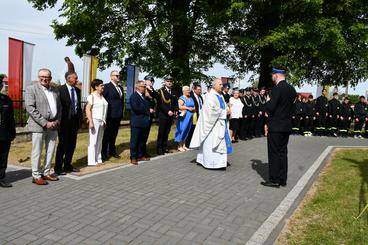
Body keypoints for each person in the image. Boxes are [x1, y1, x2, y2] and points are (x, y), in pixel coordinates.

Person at [25, 68, 61, 185]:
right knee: (37, 151)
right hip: (39, 126)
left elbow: (60, 108)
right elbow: (30, 108)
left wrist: (57, 120)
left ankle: (46, 172)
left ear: (50, 78)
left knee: (51, 150)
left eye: (47, 77)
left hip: (54, 125)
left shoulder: (55, 90)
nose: (44, 79)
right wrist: (45, 123)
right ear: (38, 77)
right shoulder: (31, 89)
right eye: (42, 77)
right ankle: (36, 175)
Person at [261, 68, 296, 188]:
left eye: (272, 76)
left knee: (274, 153)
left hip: (276, 125)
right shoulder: (292, 89)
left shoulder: (276, 89)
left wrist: (266, 103)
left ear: (276, 75)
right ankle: (282, 179)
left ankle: (274, 179)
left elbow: (271, 107)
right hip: (286, 125)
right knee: (283, 152)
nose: (272, 78)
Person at [190, 78, 233, 170]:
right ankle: (211, 163)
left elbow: (224, 106)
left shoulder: (220, 95)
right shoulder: (210, 96)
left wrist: (228, 109)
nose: (222, 86)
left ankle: (220, 162)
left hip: (220, 123)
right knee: (211, 143)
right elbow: (212, 111)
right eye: (220, 84)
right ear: (214, 85)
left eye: (222, 85)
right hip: (213, 125)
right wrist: (225, 112)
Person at [54, 72, 82, 175]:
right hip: (64, 122)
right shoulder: (60, 90)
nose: (77, 80)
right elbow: (57, 106)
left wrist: (80, 120)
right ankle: (58, 167)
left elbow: (78, 106)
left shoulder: (77, 90)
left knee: (72, 144)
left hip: (74, 121)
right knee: (62, 145)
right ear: (68, 79)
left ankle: (67, 165)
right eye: (75, 78)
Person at [102, 70, 124, 160]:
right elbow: (103, 99)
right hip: (110, 115)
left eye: (119, 75)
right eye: (116, 75)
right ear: (111, 77)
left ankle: (112, 150)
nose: (118, 77)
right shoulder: (107, 87)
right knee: (107, 134)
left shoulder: (120, 88)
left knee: (114, 134)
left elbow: (121, 101)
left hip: (118, 115)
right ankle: (103, 153)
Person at [85, 79, 108, 166]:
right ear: (96, 87)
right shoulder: (92, 96)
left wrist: (104, 120)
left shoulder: (102, 96)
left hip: (102, 121)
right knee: (93, 141)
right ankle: (91, 161)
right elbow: (88, 109)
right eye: (101, 85)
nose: (103, 87)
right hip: (94, 120)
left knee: (99, 141)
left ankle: (98, 159)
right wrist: (90, 121)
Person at [129, 81, 151, 165]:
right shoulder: (134, 96)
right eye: (142, 86)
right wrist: (148, 111)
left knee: (142, 140)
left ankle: (140, 155)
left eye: (144, 86)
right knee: (134, 140)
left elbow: (148, 104)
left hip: (144, 122)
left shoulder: (144, 97)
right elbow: (136, 108)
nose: (144, 88)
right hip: (137, 122)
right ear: (137, 87)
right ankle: (133, 157)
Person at [0, 77, 16, 187]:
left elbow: (11, 118)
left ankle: (1, 178)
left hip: (4, 134)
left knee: (3, 157)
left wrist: (12, 132)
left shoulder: (6, 99)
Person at [156, 75, 177, 155]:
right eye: (168, 81)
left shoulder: (173, 91)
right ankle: (159, 149)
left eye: (170, 81)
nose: (169, 83)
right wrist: (167, 111)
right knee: (161, 132)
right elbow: (160, 104)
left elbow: (175, 103)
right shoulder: (160, 91)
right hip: (163, 115)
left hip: (170, 115)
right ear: (165, 82)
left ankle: (165, 148)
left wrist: (175, 110)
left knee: (167, 132)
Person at [175, 86, 195, 151]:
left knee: (187, 130)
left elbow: (194, 106)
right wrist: (188, 108)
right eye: (187, 90)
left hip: (190, 116)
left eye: (189, 90)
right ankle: (179, 145)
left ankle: (184, 145)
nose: (189, 91)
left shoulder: (191, 98)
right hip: (184, 117)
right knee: (182, 130)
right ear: (184, 91)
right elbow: (179, 106)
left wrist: (194, 108)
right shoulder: (181, 98)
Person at [141, 75, 157, 158]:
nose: (150, 82)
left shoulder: (152, 90)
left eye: (151, 81)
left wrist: (151, 90)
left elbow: (157, 97)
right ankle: (141, 152)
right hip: (143, 115)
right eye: (148, 81)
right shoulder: (142, 89)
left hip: (150, 116)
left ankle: (144, 151)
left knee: (146, 134)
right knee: (142, 135)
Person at [185, 82, 203, 148]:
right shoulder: (191, 96)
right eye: (198, 90)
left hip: (200, 115)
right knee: (191, 130)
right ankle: (188, 144)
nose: (200, 91)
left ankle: (195, 143)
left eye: (200, 90)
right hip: (193, 115)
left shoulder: (200, 97)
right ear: (194, 90)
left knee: (197, 130)